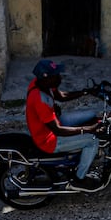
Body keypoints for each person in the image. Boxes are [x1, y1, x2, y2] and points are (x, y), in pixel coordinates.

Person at [25, 59, 103, 190]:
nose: (60, 78)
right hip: (49, 140)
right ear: (46, 78)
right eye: (56, 75)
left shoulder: (41, 83)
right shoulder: (39, 100)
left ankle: (86, 157)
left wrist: (86, 92)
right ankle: (79, 179)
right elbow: (58, 131)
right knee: (93, 140)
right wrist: (88, 130)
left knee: (90, 115)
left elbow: (62, 96)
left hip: (55, 123)